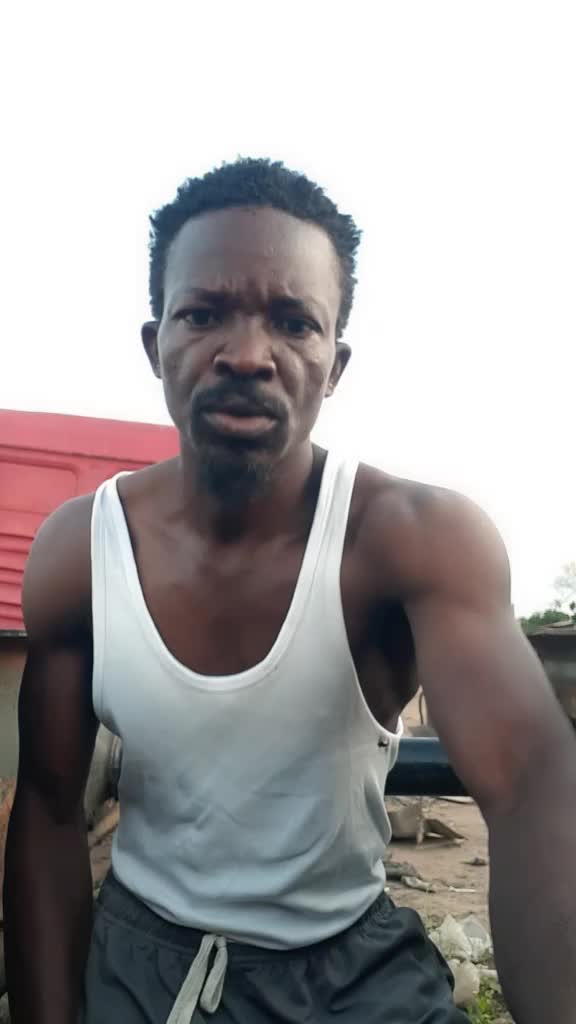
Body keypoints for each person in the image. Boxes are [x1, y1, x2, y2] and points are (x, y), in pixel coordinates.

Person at [4, 158, 576, 1024]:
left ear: (334, 363)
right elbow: (48, 810)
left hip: (351, 971)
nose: (246, 354)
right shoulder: (81, 551)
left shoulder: (410, 540)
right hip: (142, 963)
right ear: (155, 345)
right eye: (203, 314)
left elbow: (533, 786)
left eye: (293, 321)